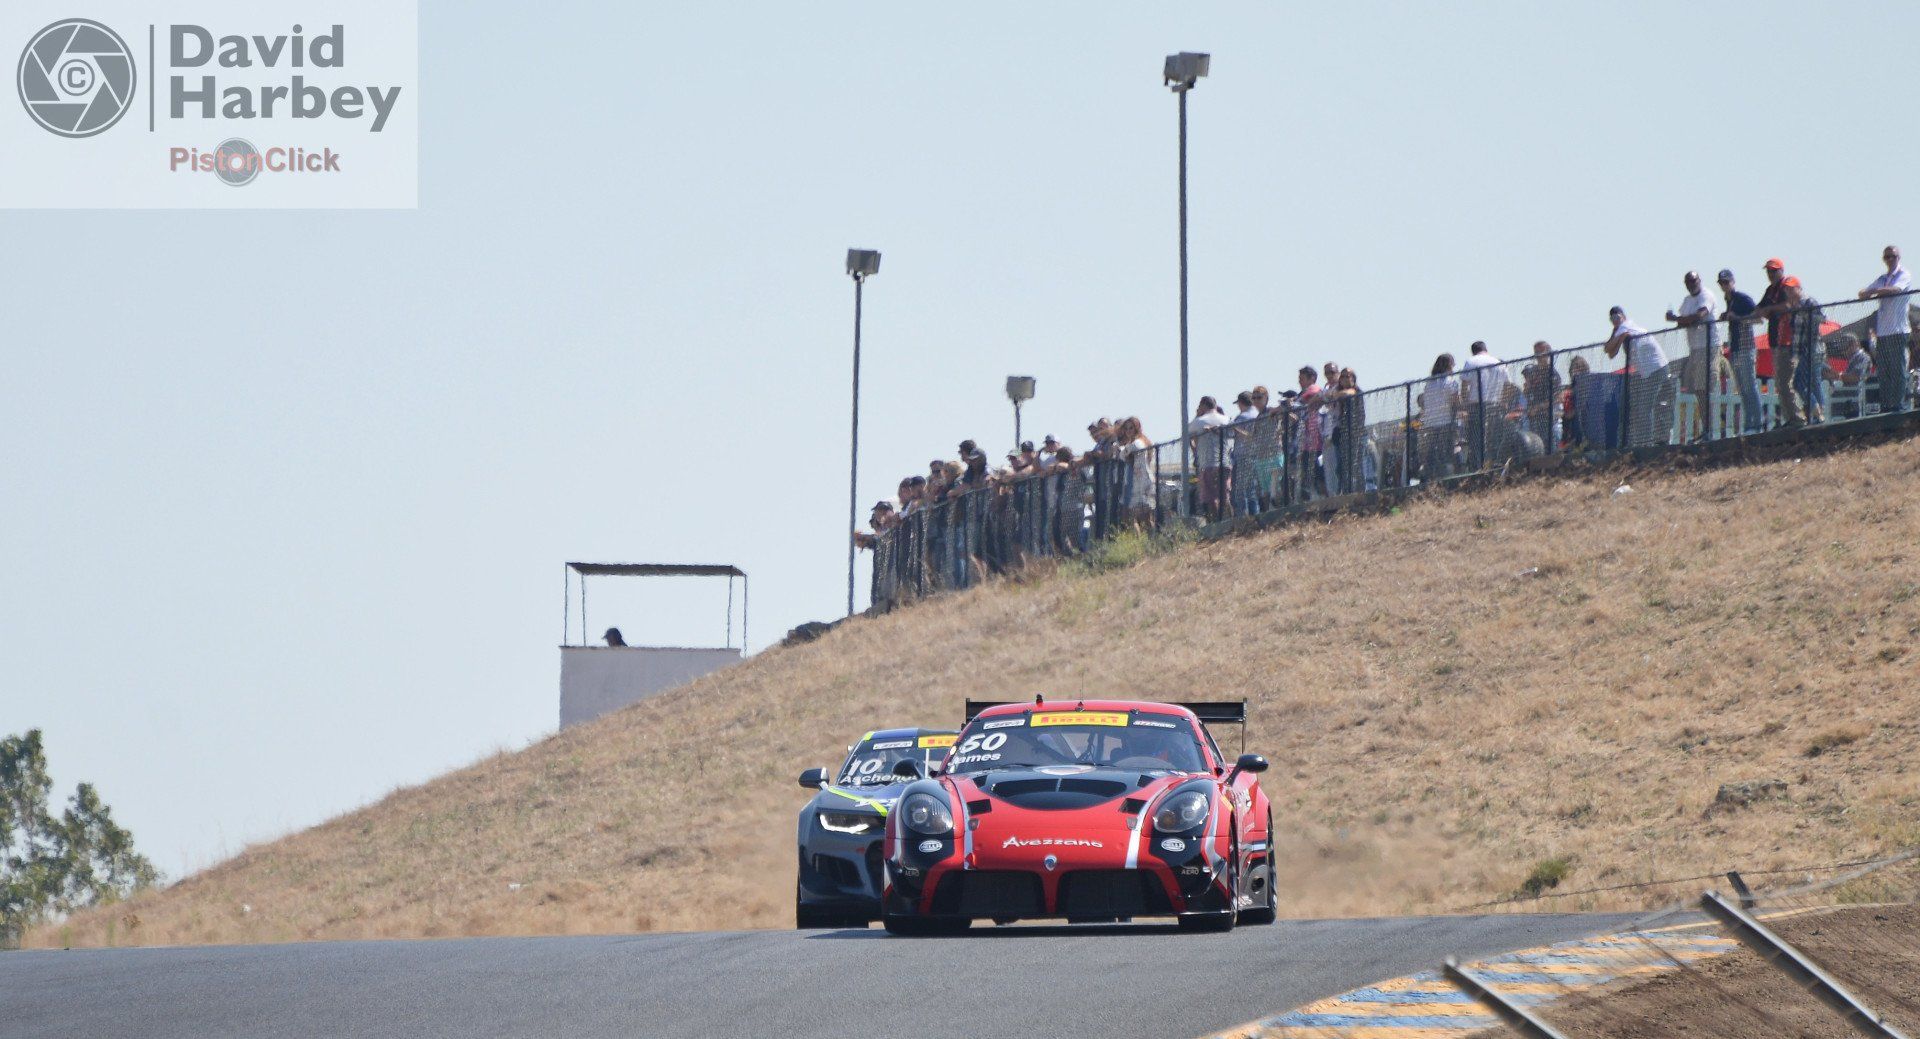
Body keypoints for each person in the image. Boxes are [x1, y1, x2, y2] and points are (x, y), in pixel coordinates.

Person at [1665, 270, 1722, 442]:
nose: (1691, 285)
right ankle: (1707, 429)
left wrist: (1676, 318)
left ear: (1699, 280)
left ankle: (1713, 429)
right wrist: (1679, 320)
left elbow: (1698, 316)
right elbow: (1684, 321)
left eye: (1694, 281)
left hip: (1709, 346)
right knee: (1698, 389)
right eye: (1688, 282)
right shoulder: (1687, 301)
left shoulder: (1706, 295)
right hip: (1695, 348)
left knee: (1707, 387)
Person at [1604, 306, 1673, 446]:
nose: (1615, 320)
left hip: (1656, 369)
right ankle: (1648, 440)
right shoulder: (1622, 331)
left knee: (1644, 407)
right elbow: (1611, 353)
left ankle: (1646, 443)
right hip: (1649, 372)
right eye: (1612, 319)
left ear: (1623, 316)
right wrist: (1617, 335)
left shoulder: (1626, 326)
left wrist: (1617, 334)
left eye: (1617, 317)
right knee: (1645, 407)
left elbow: (1608, 348)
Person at [1859, 245, 1911, 414]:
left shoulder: (1903, 274)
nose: (1889, 259)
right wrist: (1872, 292)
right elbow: (1863, 293)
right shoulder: (1882, 278)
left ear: (1898, 257)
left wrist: (1875, 292)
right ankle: (1887, 404)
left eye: (1892, 256)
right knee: (1884, 370)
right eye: (1886, 257)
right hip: (1883, 332)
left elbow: (1895, 289)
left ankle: (1898, 404)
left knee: (1897, 369)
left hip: (1898, 330)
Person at [1755, 258, 1803, 428]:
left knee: (1785, 383)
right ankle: (1789, 418)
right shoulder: (1770, 290)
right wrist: (1764, 311)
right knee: (1779, 384)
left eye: (1774, 270)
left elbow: (1788, 305)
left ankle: (1797, 418)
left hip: (1787, 342)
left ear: (1781, 271)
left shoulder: (1785, 286)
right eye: (1769, 271)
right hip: (1775, 342)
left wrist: (1770, 309)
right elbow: (1759, 308)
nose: (1771, 274)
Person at [1718, 269, 1764, 434]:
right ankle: (1748, 424)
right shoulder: (1728, 300)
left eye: (1726, 282)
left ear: (1732, 282)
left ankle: (1757, 424)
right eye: (1721, 283)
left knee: (1750, 386)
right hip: (1735, 348)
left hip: (1746, 347)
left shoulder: (1742, 299)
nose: (1724, 285)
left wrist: (1737, 318)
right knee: (1742, 389)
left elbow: (1759, 319)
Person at [1459, 341, 1508, 469]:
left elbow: (1464, 385)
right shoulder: (1497, 362)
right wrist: (1503, 401)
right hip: (1495, 403)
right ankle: (1494, 465)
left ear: (1473, 351)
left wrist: (1464, 404)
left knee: (1476, 438)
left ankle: (1477, 467)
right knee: (1493, 436)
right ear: (1486, 349)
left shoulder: (1471, 361)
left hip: (1476, 404)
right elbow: (1507, 385)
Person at [1324, 368, 1370, 494]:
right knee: (1341, 466)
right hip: (1342, 434)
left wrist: (1333, 395)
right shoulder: (1337, 392)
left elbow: (1348, 393)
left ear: (1353, 378)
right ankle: (1345, 491)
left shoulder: (1356, 390)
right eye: (1342, 377)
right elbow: (1324, 397)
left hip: (1356, 433)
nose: (1344, 379)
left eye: (1347, 376)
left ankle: (1361, 492)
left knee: (1357, 464)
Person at [1418, 353, 1460, 481]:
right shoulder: (1450, 382)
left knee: (1432, 453)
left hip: (1430, 423)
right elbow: (1455, 402)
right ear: (1449, 365)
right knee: (1447, 453)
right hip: (1445, 422)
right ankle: (1448, 479)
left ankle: (1430, 478)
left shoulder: (1429, 383)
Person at [1187, 396, 1231, 514]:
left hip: (1208, 464)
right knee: (1225, 496)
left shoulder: (1200, 421)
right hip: (1225, 463)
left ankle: (1216, 520)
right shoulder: (1225, 419)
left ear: (1203, 406)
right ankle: (1230, 518)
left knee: (1211, 498)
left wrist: (1197, 415)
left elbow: (1186, 431)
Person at [1288, 366, 1325, 502]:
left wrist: (1292, 403)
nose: (1299, 381)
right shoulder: (1301, 395)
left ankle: (1324, 496)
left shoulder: (1314, 389)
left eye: (1302, 378)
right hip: (1305, 440)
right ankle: (1314, 498)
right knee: (1308, 471)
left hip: (1315, 438)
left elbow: (1302, 401)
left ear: (1312, 378)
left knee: (1316, 470)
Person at [1520, 341, 1562, 452]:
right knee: (1535, 449)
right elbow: (1527, 394)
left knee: (1549, 449)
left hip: (1547, 419)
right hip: (1533, 419)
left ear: (1548, 353)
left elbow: (1557, 398)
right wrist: (1527, 390)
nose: (1538, 356)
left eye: (1541, 352)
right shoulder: (1533, 372)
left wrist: (1538, 407)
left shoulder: (1552, 374)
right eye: (1536, 353)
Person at [1832, 336, 1873, 419]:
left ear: (1854, 344)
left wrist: (1836, 376)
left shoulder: (1863, 357)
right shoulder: (1853, 359)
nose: (1843, 351)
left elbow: (1856, 377)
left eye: (1845, 346)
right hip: (1847, 398)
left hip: (1855, 399)